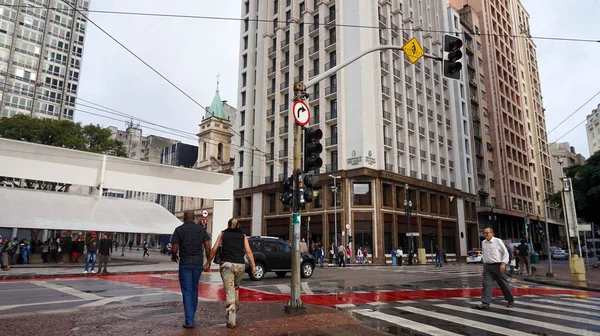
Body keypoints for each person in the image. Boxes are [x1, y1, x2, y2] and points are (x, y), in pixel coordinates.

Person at [205, 218, 256, 329]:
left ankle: (232, 319)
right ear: (238, 225)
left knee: (230, 291)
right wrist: (253, 266)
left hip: (227, 265)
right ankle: (235, 308)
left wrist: (208, 263)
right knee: (235, 288)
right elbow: (248, 251)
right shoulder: (242, 236)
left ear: (228, 225)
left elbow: (214, 249)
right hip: (240, 266)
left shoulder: (223, 234)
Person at [171, 210, 211, 329]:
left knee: (187, 291)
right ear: (194, 218)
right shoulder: (201, 230)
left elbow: (174, 248)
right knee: (194, 289)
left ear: (184, 218)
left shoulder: (179, 230)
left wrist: (174, 256)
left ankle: (189, 320)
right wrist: (208, 262)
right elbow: (208, 247)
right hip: (198, 263)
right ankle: (191, 316)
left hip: (185, 263)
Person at [474, 228, 514, 310]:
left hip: (498, 266)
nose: (485, 235)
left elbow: (505, 253)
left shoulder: (498, 241)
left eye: (487, 233)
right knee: (486, 284)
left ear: (492, 233)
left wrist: (503, 263)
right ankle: (485, 303)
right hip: (487, 267)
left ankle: (510, 300)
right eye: (484, 233)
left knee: (503, 284)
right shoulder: (483, 243)